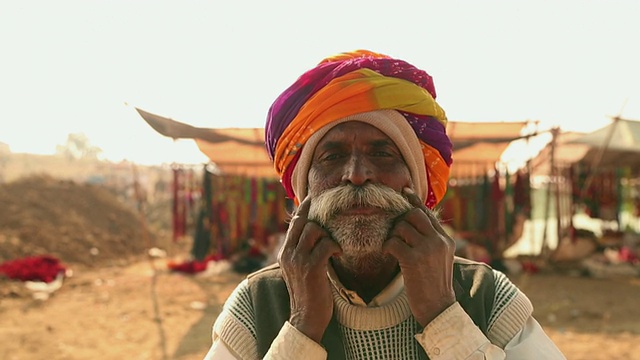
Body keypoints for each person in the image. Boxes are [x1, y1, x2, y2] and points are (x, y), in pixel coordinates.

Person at [204, 50, 565, 359]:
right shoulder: (258, 303)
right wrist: (302, 326)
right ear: (303, 187)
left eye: (382, 153)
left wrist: (443, 314)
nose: (358, 175)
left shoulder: (484, 295)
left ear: (418, 183)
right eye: (331, 156)